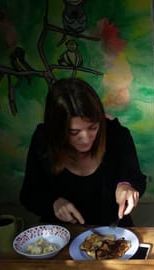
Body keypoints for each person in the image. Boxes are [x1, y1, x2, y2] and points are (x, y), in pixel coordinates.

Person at [20, 78, 146, 227]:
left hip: (113, 229)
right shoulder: (43, 140)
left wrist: (126, 185)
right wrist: (53, 203)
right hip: (63, 233)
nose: (86, 139)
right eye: (74, 132)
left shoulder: (117, 135)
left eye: (93, 128)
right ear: (57, 130)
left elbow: (137, 179)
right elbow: (28, 194)